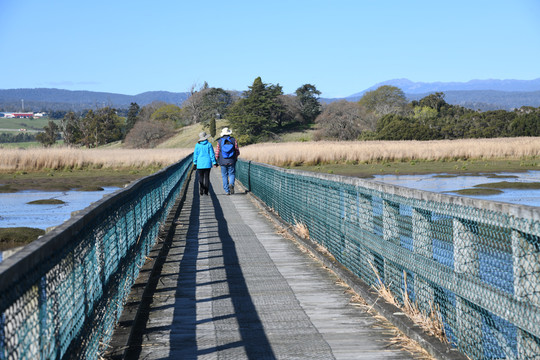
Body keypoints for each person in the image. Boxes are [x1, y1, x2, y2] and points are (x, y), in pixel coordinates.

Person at [215, 127, 240, 195]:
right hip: (231, 160)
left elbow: (217, 152)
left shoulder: (219, 141)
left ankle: (227, 191)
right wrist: (235, 157)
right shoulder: (233, 140)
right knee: (231, 174)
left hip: (222, 161)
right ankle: (231, 184)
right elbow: (237, 150)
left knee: (224, 175)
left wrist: (215, 161)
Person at [193, 131, 217, 196]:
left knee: (200, 177)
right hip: (207, 163)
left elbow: (195, 154)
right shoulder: (209, 144)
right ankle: (206, 191)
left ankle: (201, 190)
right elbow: (212, 154)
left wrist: (195, 163)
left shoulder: (197, 145)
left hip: (200, 164)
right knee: (207, 177)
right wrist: (214, 162)